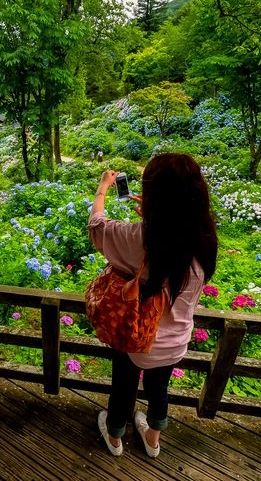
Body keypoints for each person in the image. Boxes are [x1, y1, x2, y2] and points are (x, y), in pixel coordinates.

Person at [87, 153, 218, 458]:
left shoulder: (138, 238)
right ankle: (153, 439)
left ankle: (116, 437)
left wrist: (103, 188)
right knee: (159, 389)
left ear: (154, 197)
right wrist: (156, 216)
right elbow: (173, 243)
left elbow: (97, 226)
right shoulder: (207, 240)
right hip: (175, 341)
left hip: (136, 338)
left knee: (123, 385)